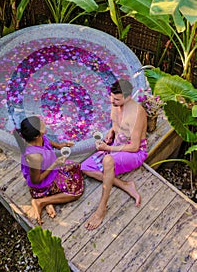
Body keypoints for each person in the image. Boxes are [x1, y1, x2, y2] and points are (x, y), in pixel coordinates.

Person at [81, 79, 147, 230]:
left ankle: (101, 209)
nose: (112, 101)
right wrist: (111, 133)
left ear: (128, 97)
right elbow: (115, 124)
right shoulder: (115, 104)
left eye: (116, 99)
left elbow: (135, 146)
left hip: (134, 152)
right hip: (116, 144)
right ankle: (125, 185)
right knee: (85, 167)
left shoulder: (137, 113)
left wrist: (108, 149)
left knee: (108, 160)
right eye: (111, 97)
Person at [20, 115, 84, 225]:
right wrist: (55, 164)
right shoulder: (35, 156)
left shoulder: (38, 137)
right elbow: (36, 180)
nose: (43, 122)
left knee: (76, 167)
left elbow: (46, 141)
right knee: (76, 192)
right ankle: (41, 201)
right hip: (43, 184)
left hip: (51, 168)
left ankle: (47, 198)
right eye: (41, 124)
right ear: (36, 135)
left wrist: (59, 146)